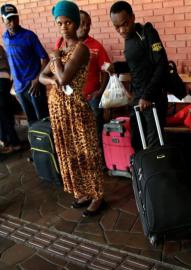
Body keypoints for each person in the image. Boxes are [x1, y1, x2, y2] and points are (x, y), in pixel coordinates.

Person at [39, 1, 105, 217]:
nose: (64, 26)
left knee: (87, 152)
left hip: (76, 110)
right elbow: (42, 77)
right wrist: (53, 81)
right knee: (71, 154)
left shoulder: (81, 49)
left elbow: (64, 77)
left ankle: (97, 196)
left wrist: (56, 60)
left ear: (76, 24)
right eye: (60, 22)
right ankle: (83, 192)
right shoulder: (62, 50)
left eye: (68, 22)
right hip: (59, 113)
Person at [108, 1, 168, 150]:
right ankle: (142, 172)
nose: (122, 30)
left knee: (154, 146)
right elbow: (136, 66)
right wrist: (116, 66)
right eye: (117, 27)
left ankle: (155, 172)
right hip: (137, 99)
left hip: (152, 99)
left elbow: (162, 65)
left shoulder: (147, 33)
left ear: (132, 17)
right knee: (137, 142)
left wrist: (147, 96)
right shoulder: (128, 40)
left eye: (125, 24)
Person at [54, 10, 111, 146]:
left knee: (95, 133)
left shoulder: (96, 46)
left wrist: (99, 92)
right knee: (77, 135)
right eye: (83, 24)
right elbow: (54, 69)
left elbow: (106, 72)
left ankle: (100, 162)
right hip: (70, 100)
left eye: (89, 25)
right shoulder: (61, 43)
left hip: (91, 99)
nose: (86, 27)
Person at [1, 3, 49, 126]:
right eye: (9, 19)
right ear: (3, 20)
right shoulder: (5, 37)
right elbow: (12, 60)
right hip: (19, 88)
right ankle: (35, 144)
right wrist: (13, 83)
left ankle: (49, 144)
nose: (12, 22)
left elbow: (45, 58)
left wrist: (37, 79)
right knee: (31, 120)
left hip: (34, 86)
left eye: (14, 18)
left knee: (43, 119)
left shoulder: (29, 36)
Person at [0, 44, 21, 154]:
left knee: (4, 116)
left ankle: (14, 143)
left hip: (2, 81)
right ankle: (6, 140)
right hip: (5, 80)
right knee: (4, 115)